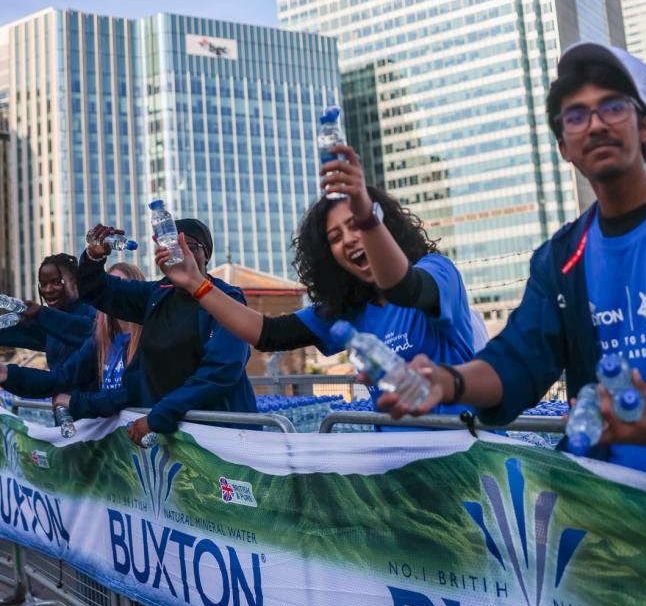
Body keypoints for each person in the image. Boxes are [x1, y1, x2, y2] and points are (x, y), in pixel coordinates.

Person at [378, 42, 646, 503]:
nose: (597, 123)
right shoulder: (560, 260)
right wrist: (448, 381)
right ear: (564, 146)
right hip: (621, 517)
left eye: (613, 106)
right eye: (576, 115)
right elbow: (519, 360)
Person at [155, 145, 485, 422]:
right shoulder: (350, 311)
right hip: (402, 474)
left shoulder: (437, 271)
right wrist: (197, 284)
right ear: (330, 259)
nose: (352, 240)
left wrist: (366, 213)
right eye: (335, 237)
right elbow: (269, 334)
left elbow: (405, 287)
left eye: (357, 224)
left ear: (384, 223)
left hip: (467, 460)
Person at [81, 219, 255, 444]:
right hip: (172, 437)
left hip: (223, 437)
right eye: (171, 245)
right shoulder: (156, 294)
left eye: (190, 247)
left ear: (206, 255)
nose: (181, 253)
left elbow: (222, 370)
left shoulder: (227, 297)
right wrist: (94, 256)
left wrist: (159, 415)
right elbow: (96, 290)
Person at [0, 263, 144, 419]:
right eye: (109, 286)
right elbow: (61, 378)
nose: (114, 291)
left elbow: (127, 395)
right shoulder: (100, 340)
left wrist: (75, 402)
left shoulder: (150, 339)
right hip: (109, 438)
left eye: (122, 284)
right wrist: (7, 374)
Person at [0, 254, 96, 370]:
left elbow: (86, 330)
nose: (48, 290)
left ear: (74, 282)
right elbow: (13, 332)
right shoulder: (47, 324)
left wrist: (41, 313)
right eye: (43, 284)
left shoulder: (95, 311)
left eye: (56, 282)